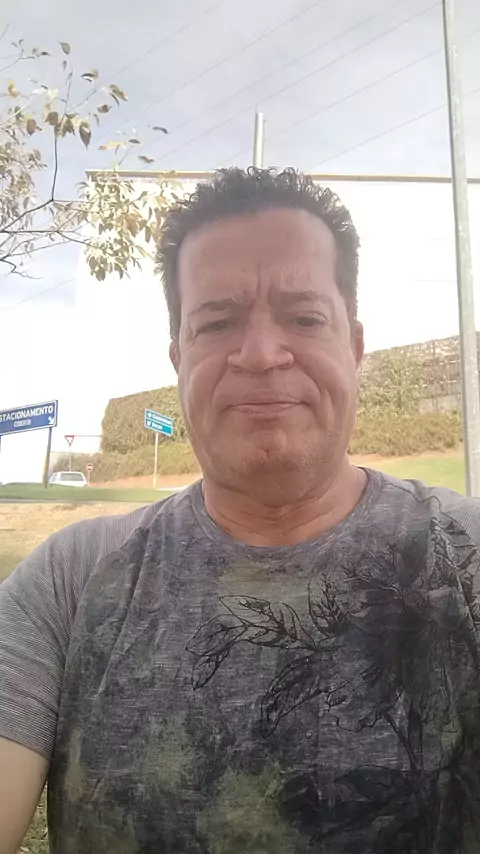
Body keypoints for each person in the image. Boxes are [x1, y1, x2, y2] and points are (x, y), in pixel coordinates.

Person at [1, 168, 480, 854]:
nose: (259, 354)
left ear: (354, 348)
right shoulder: (70, 584)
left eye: (304, 317)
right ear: (179, 357)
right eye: (217, 322)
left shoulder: (467, 556)